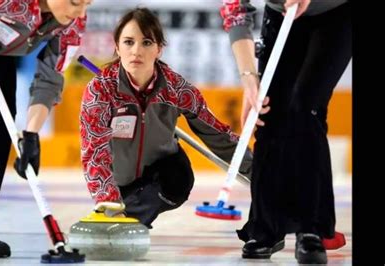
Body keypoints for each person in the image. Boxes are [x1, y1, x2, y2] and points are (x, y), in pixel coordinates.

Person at [79, 7, 269, 229]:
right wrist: (108, 200)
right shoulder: (100, 91)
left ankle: (133, 220)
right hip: (118, 181)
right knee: (115, 205)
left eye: (147, 42)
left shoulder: (177, 89)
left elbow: (218, 135)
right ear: (117, 47)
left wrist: (260, 173)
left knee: (177, 178)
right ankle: (119, 211)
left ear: (159, 49)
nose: (136, 51)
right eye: (128, 42)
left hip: (161, 176)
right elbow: (94, 152)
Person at [0, 0, 92, 258]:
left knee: (1, 119)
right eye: (75, 2)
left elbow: (49, 78)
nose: (80, 12)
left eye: (87, 3)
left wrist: (31, 135)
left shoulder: (73, 23)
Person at [220, 0, 351, 263]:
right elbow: (235, 13)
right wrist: (249, 81)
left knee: (306, 108)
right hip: (281, 14)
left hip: (337, 12)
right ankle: (265, 227)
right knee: (268, 112)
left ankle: (311, 228)